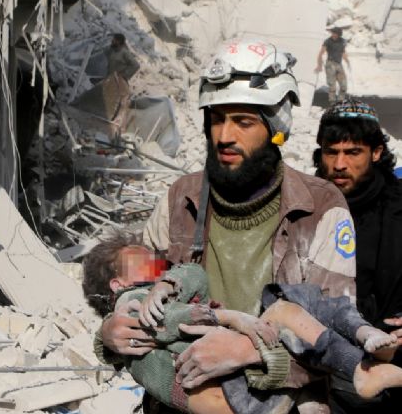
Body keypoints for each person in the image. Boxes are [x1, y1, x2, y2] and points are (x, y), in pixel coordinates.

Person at [98, 40, 359, 413]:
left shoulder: (320, 209)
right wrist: (111, 331)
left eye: (243, 121)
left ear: (278, 126)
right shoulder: (180, 200)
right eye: (217, 119)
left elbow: (335, 336)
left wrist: (252, 351)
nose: (224, 136)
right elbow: (137, 291)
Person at [83, 233, 401, 413]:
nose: (156, 263)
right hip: (228, 392)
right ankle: (360, 362)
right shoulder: (133, 302)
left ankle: (360, 356)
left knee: (298, 312)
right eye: (141, 261)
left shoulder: (159, 290)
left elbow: (192, 274)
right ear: (117, 284)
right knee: (290, 309)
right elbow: (166, 321)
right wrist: (229, 317)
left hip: (237, 389)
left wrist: (168, 283)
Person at [313, 98, 402, 412]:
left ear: (376, 152)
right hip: (320, 358)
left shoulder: (397, 207)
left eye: (352, 153)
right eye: (331, 152)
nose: (339, 165)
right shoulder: (304, 207)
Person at [315, 27, 350, 104]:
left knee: (344, 85)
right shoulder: (328, 41)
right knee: (332, 86)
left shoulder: (342, 41)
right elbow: (321, 53)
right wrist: (319, 65)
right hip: (330, 64)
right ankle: (332, 102)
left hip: (339, 64)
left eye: (335, 33)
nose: (333, 35)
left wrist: (347, 61)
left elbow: (343, 52)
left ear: (339, 34)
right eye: (333, 33)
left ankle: (340, 101)